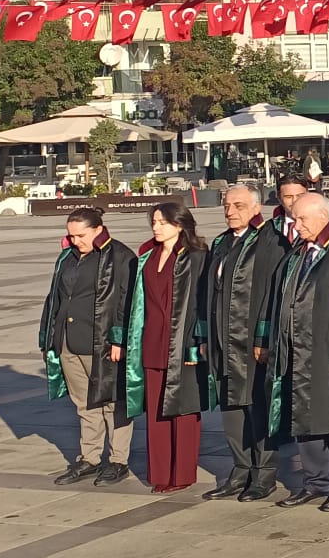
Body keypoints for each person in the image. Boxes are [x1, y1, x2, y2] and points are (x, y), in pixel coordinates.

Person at [269, 193, 329, 509]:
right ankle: (316, 481)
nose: (296, 226)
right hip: (299, 351)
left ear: (323, 217)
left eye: (301, 219)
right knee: (304, 416)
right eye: (294, 219)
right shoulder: (299, 253)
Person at [199, 186, 290, 500]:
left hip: (251, 343)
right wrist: (203, 337)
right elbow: (207, 294)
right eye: (226, 205)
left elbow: (272, 294)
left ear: (255, 207)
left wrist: (264, 337)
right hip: (222, 340)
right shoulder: (222, 243)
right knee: (231, 407)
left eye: (238, 205)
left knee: (257, 407)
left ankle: (264, 473)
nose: (230, 211)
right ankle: (240, 469)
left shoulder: (270, 241)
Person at [41, 209, 139, 487]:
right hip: (69, 341)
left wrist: (119, 338)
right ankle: (90, 457)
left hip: (102, 342)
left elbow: (126, 301)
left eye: (80, 235)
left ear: (98, 229)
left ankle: (118, 460)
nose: (74, 241)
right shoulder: (67, 257)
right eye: (70, 235)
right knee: (84, 404)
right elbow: (57, 297)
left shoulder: (120, 256)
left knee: (112, 403)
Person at [124, 203, 206, 494]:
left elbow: (201, 303)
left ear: (180, 224)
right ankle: (160, 472)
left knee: (183, 411)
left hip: (183, 344)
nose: (156, 227)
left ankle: (182, 473)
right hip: (152, 342)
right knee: (156, 412)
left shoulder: (196, 257)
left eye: (162, 222)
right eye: (154, 222)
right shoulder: (148, 257)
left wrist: (197, 343)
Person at [270, 173, 310, 245]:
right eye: (288, 197)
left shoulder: (320, 227)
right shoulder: (270, 228)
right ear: (279, 198)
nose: (295, 201)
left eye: (300, 196)